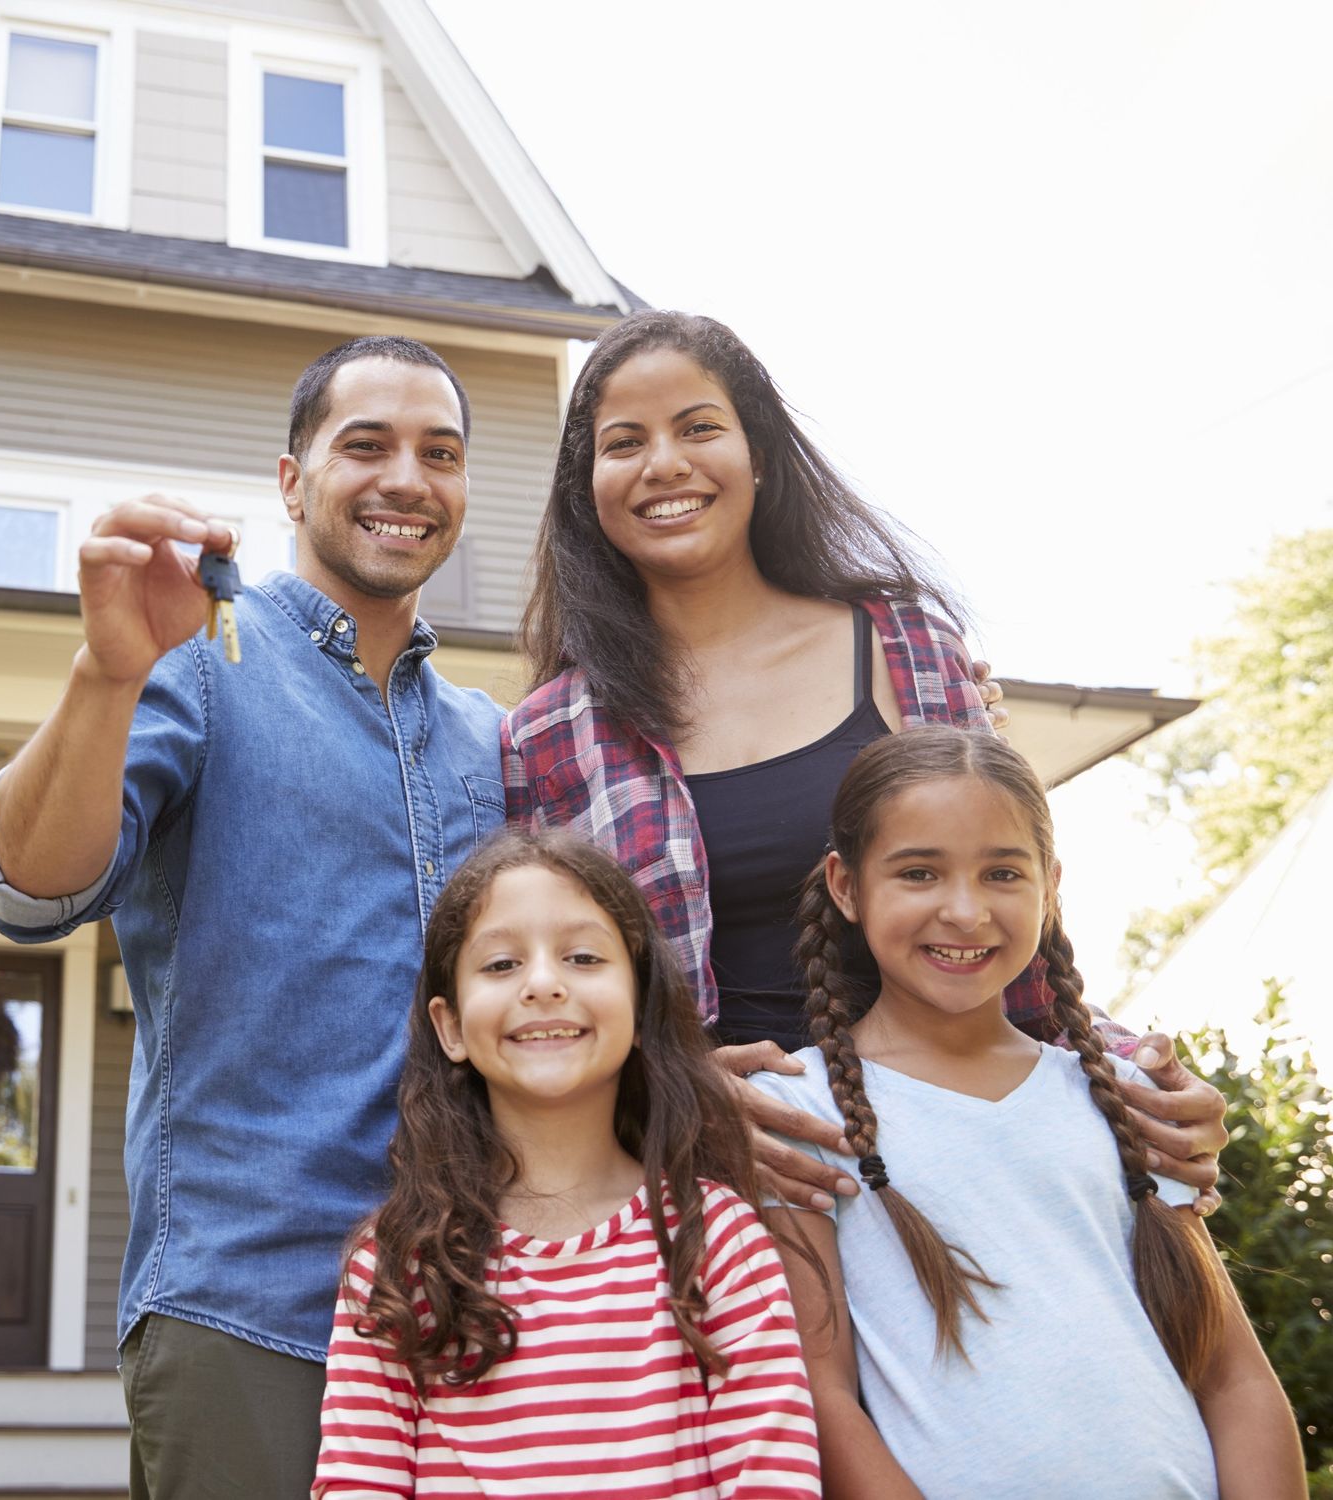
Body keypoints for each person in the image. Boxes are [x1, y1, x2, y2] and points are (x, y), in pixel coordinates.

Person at [503, 309, 1227, 1213]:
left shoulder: (909, 648)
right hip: (721, 1190)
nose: (665, 463)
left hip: (954, 1157)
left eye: (699, 427)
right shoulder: (550, 735)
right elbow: (544, 996)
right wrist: (671, 1095)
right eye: (624, 442)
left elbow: (1011, 927)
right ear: (588, 487)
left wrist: (1136, 1080)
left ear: (759, 454)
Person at [0, 335, 501, 1498]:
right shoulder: (198, 662)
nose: (405, 478)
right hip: (253, 1312)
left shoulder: (487, 737)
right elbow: (29, 889)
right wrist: (106, 673)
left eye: (440, 453)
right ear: (290, 482)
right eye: (364, 445)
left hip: (474, 1314)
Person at [751, 727, 1304, 1500]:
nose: (966, 911)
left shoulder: (1119, 1095)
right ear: (847, 886)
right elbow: (823, 1394)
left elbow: (1232, 1376)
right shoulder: (798, 1112)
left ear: (1050, 886)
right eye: (919, 872)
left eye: (1003, 873)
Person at [315, 828, 820, 1498]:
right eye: (501, 965)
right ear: (451, 1026)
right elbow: (359, 1483)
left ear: (639, 1003)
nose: (544, 984)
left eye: (582, 957)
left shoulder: (716, 1239)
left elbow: (773, 1482)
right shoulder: (398, 1260)